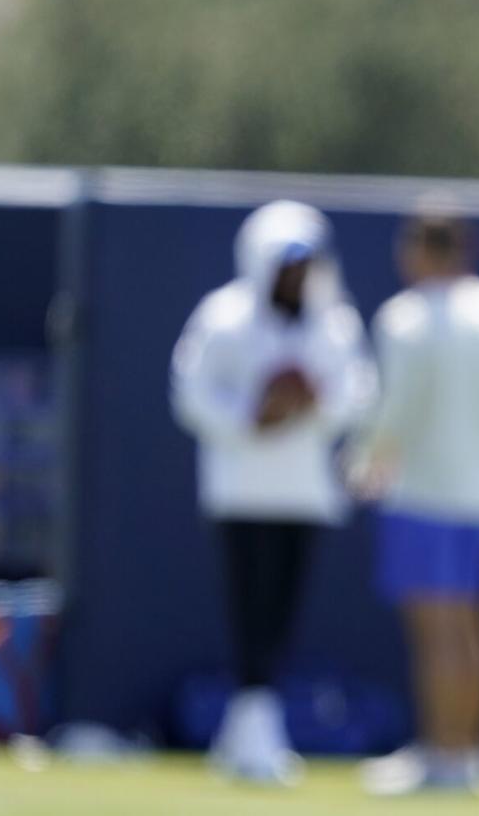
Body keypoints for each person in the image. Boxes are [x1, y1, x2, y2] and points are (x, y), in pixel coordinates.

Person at [171, 199, 376, 784]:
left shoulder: (335, 321)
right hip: (239, 490)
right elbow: (190, 392)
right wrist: (250, 414)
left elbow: (357, 392)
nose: (294, 275)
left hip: (306, 494)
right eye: (284, 263)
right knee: (249, 612)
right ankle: (256, 739)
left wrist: (314, 403)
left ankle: (246, 732)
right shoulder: (223, 317)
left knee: (281, 616)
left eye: (303, 264)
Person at [356, 210, 479, 795]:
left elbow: (394, 410)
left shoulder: (406, 317)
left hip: (424, 491)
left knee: (438, 631)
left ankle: (442, 755)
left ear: (422, 250)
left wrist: (364, 463)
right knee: (470, 626)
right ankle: (467, 754)